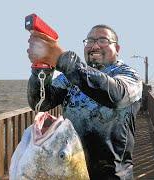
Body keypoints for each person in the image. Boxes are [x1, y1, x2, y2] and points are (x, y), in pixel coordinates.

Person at [27, 24, 142, 179]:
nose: (94, 46)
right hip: (68, 169)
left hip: (114, 175)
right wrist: (42, 67)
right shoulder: (70, 77)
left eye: (103, 40)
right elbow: (40, 103)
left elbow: (117, 96)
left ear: (117, 48)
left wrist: (63, 59)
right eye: (89, 41)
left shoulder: (128, 75)